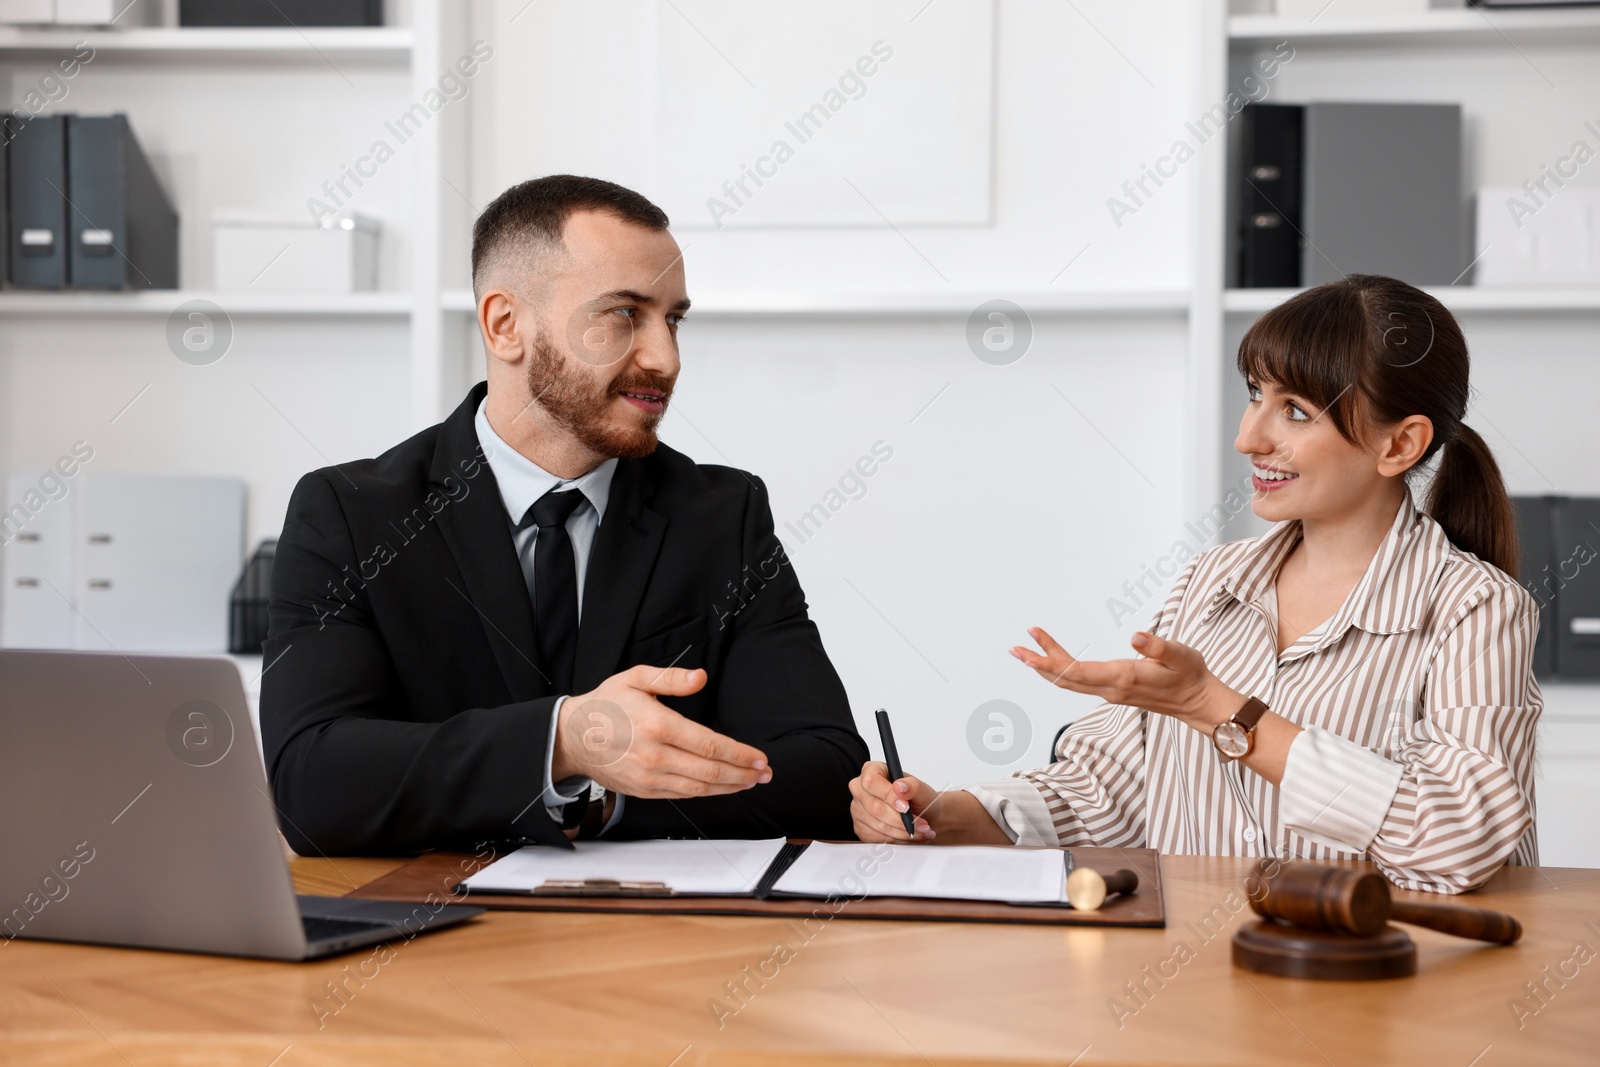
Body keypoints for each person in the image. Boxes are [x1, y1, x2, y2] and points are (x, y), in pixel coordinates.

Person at [850, 274, 1540, 894]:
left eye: (1295, 410)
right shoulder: (1210, 583)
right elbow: (1108, 789)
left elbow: (1460, 837)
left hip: (1388, 1002)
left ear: (1400, 444)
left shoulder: (1477, 610)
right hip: (1199, 988)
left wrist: (1219, 710)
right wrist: (942, 812)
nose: (1249, 437)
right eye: (1255, 397)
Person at [263, 175, 867, 855]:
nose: (665, 358)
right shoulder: (350, 515)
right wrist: (565, 741)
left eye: (672, 319)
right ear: (506, 324)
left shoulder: (723, 516)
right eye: (623, 315)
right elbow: (313, 784)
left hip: (665, 945)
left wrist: (601, 800)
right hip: (427, 938)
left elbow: (827, 772)